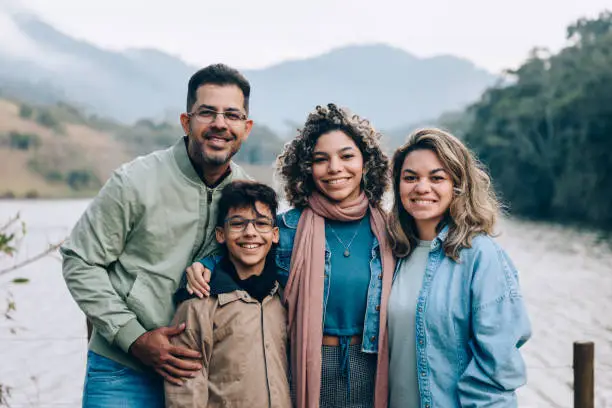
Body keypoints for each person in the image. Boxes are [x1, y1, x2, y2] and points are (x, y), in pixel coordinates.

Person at [60, 63, 254, 407]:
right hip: (123, 369)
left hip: (200, 373)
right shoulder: (134, 181)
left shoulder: (247, 196)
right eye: (207, 112)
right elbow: (80, 260)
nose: (220, 124)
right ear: (186, 121)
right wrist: (134, 338)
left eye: (232, 115)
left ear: (246, 127)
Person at [187, 103, 395, 408]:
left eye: (347, 156)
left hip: (373, 364)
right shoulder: (287, 230)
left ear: (366, 163)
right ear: (307, 169)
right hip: (308, 363)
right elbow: (239, 253)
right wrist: (204, 265)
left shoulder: (392, 231)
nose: (335, 168)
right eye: (320, 159)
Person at [386, 128, 532, 408]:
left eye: (437, 177)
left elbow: (496, 370)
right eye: (410, 178)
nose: (421, 187)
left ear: (458, 184)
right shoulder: (392, 252)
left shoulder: (481, 257)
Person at [165, 180, 291, 408]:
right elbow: (184, 391)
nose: (250, 233)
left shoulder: (284, 298)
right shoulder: (198, 305)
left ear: (275, 235)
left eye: (261, 223)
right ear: (221, 234)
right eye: (238, 224)